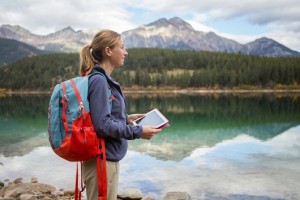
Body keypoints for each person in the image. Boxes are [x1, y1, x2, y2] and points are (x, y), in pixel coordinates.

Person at [79, 29, 162, 200]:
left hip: (103, 160)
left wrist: (126, 118)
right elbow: (102, 125)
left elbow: (102, 118)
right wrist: (138, 132)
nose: (126, 52)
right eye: (122, 47)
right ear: (108, 51)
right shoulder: (99, 81)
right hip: (102, 161)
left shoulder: (100, 79)